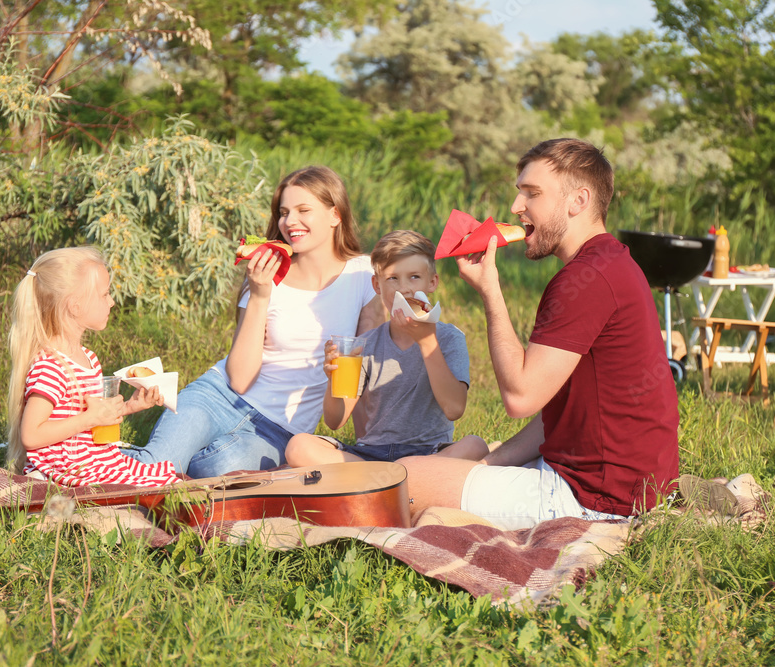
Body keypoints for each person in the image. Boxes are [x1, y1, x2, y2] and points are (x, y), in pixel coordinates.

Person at [400, 138, 680, 530]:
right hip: (633, 486)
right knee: (448, 461)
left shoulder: (585, 280)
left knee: (402, 480)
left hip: (597, 499)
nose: (516, 207)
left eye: (531, 194)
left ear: (578, 201)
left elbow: (520, 396)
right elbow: (557, 415)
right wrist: (485, 466)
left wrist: (491, 291)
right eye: (519, 193)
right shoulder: (611, 261)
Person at [125, 166, 383, 477]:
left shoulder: (364, 275)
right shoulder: (266, 272)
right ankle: (77, 462)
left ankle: (134, 464)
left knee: (216, 469)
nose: (289, 222)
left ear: (335, 215)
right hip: (217, 395)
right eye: (284, 212)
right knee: (158, 466)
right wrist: (260, 295)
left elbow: (360, 375)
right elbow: (240, 379)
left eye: (304, 210)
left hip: (279, 430)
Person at [285, 231, 487, 466]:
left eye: (414, 277)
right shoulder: (367, 344)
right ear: (376, 285)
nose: (404, 288)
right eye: (393, 278)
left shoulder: (449, 338)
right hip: (372, 455)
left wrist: (426, 341)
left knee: (476, 446)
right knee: (299, 446)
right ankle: (394, 480)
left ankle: (385, 481)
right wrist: (333, 380)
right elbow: (335, 420)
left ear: (432, 282)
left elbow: (454, 409)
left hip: (428, 455)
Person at [6, 247, 179, 487]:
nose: (112, 301)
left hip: (94, 458)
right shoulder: (51, 367)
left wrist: (130, 406)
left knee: (167, 478)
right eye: (104, 294)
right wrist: (89, 419)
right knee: (161, 485)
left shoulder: (89, 358)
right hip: (68, 466)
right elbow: (32, 435)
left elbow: (91, 419)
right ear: (75, 306)